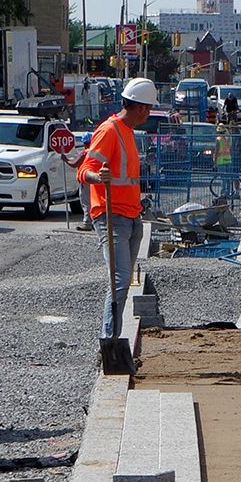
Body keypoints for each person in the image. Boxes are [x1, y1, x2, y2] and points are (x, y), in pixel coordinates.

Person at [78, 76, 155, 354]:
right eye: (147, 108)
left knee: (123, 280)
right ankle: (108, 341)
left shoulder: (128, 132)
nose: (148, 114)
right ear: (139, 108)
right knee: (120, 279)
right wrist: (98, 176)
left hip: (131, 216)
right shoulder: (109, 130)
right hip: (111, 217)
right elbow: (84, 171)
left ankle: (113, 339)